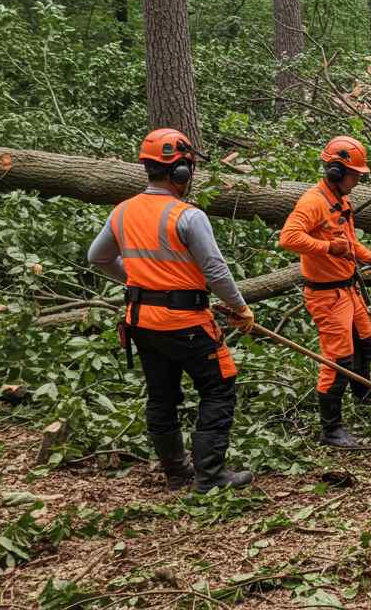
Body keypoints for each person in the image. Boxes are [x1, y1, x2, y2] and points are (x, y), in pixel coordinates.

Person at [87, 128, 256, 492]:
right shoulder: (187, 216)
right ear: (181, 172)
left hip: (142, 322)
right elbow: (215, 270)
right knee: (218, 387)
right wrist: (240, 308)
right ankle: (209, 476)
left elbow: (97, 257)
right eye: (189, 169)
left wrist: (139, 282)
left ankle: (177, 472)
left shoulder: (122, 212)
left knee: (161, 394)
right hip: (187, 324)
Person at [278, 136, 371, 448]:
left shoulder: (340, 201)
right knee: (338, 360)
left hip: (349, 290)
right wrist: (328, 247)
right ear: (335, 171)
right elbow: (289, 238)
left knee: (364, 344)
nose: (357, 181)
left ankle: (364, 401)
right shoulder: (313, 202)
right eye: (355, 175)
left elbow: (348, 241)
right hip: (327, 296)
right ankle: (331, 430)